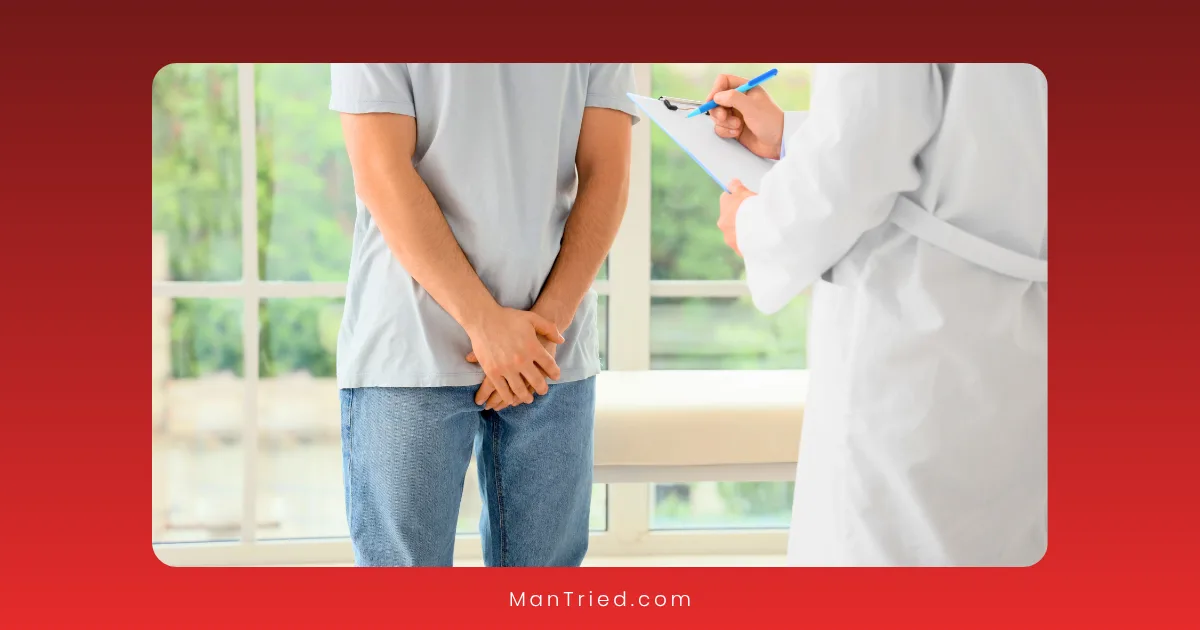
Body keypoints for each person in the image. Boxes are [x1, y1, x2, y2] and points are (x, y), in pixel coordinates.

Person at [707, 63, 1047, 566]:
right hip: (1019, 337)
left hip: (914, 335)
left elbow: (855, 161)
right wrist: (794, 138)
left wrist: (755, 223)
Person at [330, 64, 638, 566]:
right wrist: (487, 324)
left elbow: (608, 174)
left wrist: (547, 325)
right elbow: (382, 171)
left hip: (550, 349)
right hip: (413, 346)